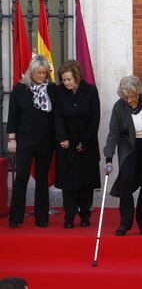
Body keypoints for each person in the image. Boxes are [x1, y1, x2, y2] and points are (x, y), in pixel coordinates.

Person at [104, 75, 142, 236]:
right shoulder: (119, 107)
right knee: (125, 181)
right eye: (126, 97)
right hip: (129, 146)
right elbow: (113, 133)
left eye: (132, 96)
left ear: (139, 92)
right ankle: (125, 222)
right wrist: (109, 157)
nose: (129, 100)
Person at [7, 55, 55, 228]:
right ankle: (15, 217)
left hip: (46, 141)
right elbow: (12, 116)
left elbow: (56, 117)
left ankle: (42, 218)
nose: (42, 76)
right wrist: (12, 138)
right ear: (31, 72)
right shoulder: (20, 89)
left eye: (44, 73)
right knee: (21, 177)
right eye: (38, 73)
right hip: (25, 141)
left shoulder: (52, 89)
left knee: (42, 179)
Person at [54, 60, 101, 228]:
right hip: (67, 145)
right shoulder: (59, 92)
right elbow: (57, 117)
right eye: (64, 80)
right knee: (69, 183)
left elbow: (95, 119)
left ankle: (85, 215)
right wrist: (62, 138)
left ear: (77, 76)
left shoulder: (90, 90)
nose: (66, 83)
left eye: (69, 79)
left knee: (86, 182)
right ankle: (69, 217)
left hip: (86, 143)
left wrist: (85, 141)